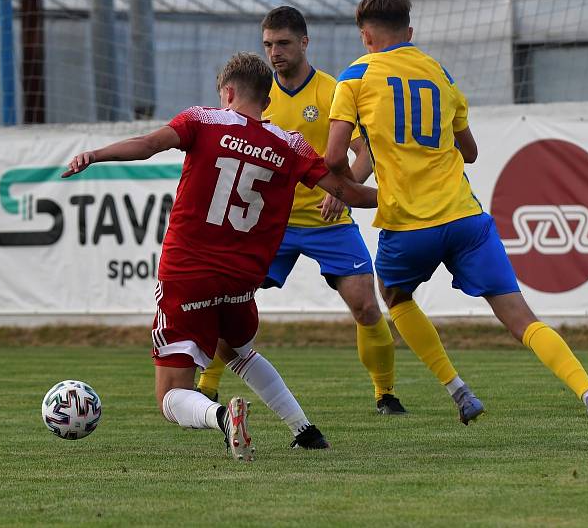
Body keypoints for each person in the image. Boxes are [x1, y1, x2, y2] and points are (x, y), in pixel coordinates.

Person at [325, 0, 588, 449]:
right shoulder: (441, 73)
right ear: (410, 33)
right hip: (466, 218)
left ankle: (458, 389)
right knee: (522, 318)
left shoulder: (354, 77)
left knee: (394, 296)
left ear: (366, 35)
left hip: (408, 224)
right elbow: (470, 151)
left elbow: (336, 156)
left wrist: (345, 182)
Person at [64, 52, 379, 461]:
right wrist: (402, 198)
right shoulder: (291, 144)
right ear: (267, 101)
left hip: (189, 272)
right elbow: (348, 193)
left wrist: (94, 155)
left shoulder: (203, 120)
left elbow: (146, 146)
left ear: (227, 93)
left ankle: (222, 417)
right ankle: (305, 430)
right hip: (242, 279)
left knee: (169, 397)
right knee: (237, 351)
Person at [197, 6, 406, 416]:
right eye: (269, 45)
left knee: (365, 304)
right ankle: (207, 385)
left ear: (305, 43)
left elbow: (365, 151)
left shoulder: (332, 90)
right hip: (269, 225)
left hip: (329, 223)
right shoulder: (257, 96)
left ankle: (385, 393)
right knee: (229, 300)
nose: (275, 52)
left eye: (284, 44)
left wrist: (345, 191)